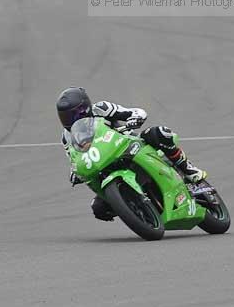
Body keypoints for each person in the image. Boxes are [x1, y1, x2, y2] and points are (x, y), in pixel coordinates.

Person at [56, 87, 206, 221]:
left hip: (128, 145)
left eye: (75, 113)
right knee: (99, 208)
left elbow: (135, 112)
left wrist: (134, 118)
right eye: (66, 117)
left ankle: (188, 169)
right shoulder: (66, 137)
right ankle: (137, 210)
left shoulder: (102, 109)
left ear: (86, 107)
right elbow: (74, 157)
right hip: (103, 162)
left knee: (159, 133)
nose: (71, 119)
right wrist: (74, 172)